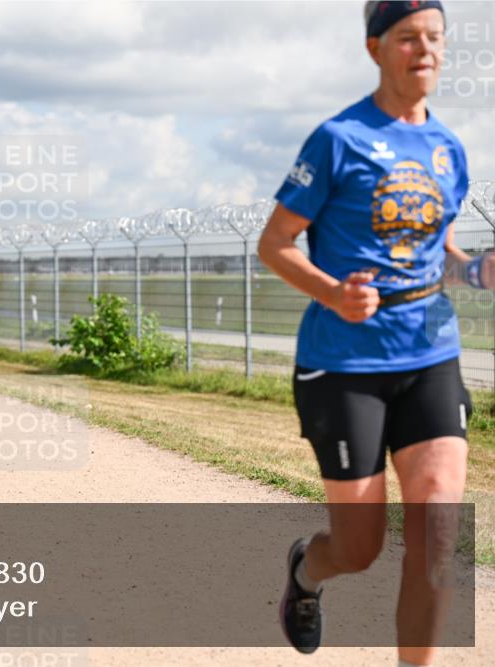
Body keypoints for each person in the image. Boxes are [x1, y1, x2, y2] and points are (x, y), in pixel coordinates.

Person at [258, 3, 478, 664]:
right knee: (359, 548)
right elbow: (276, 242)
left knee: (438, 533)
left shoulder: (448, 148)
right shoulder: (339, 138)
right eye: (408, 38)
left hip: (430, 352)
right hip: (343, 363)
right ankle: (306, 571)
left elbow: (440, 253)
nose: (425, 50)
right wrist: (333, 292)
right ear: (375, 48)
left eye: (435, 37)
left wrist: (476, 269)